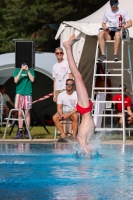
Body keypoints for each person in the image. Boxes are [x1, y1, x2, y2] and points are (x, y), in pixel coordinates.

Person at [63, 35, 95, 153]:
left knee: (78, 76)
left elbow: (85, 151)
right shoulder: (85, 139)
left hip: (85, 109)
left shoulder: (81, 138)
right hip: (85, 109)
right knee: (78, 77)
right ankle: (67, 48)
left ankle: (67, 48)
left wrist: (86, 155)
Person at [12, 63, 35, 139]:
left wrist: (27, 71)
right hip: (19, 93)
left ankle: (27, 131)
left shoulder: (31, 70)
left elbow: (32, 80)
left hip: (28, 93)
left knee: (27, 113)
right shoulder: (17, 70)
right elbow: (15, 80)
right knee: (19, 113)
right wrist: (21, 70)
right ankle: (20, 131)